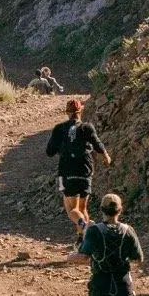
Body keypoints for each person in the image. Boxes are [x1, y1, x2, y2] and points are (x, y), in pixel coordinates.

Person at [45, 99, 111, 243]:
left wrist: (62, 148)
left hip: (67, 171)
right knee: (82, 208)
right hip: (85, 170)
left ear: (67, 112)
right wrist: (105, 155)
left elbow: (49, 151)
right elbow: (97, 143)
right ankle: (83, 240)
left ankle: (85, 227)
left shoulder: (59, 128)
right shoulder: (87, 127)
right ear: (81, 111)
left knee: (71, 210)